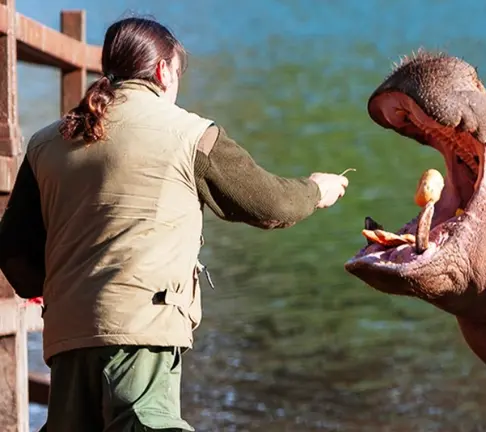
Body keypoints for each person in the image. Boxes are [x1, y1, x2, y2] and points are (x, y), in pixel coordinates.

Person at [0, 16, 349, 432]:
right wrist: (315, 189)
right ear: (164, 71)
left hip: (66, 334)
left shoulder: (46, 142)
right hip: (142, 328)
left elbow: (13, 252)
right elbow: (269, 204)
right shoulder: (190, 134)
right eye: (178, 73)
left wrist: (60, 289)